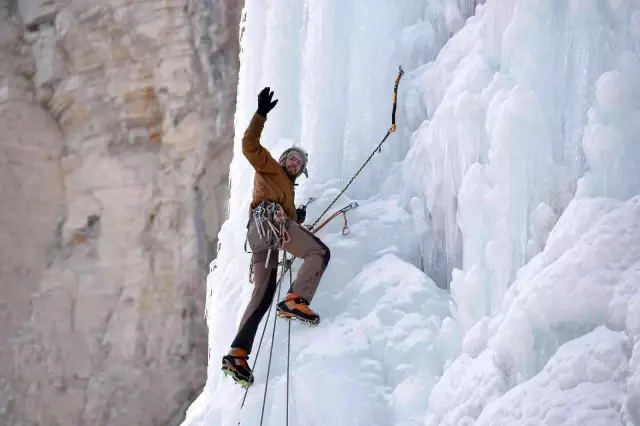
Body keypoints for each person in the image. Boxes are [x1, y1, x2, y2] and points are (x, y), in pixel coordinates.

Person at [221, 87, 331, 387]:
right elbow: (248, 145)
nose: (294, 163)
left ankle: (237, 355)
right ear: (282, 160)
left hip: (263, 235)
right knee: (319, 253)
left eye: (299, 163)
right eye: (292, 159)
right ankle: (296, 299)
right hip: (269, 224)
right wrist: (260, 114)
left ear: (301, 171)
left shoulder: (287, 192)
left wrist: (297, 216)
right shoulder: (269, 167)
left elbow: (291, 218)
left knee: (263, 295)